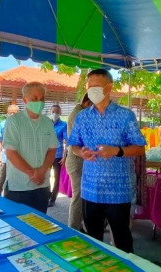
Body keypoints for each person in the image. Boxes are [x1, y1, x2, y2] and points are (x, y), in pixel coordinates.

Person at [68, 69, 146, 253]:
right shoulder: (83, 116)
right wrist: (82, 153)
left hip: (118, 190)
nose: (92, 90)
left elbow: (140, 148)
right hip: (90, 188)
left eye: (96, 86)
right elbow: (74, 146)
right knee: (93, 241)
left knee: (122, 241)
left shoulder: (125, 116)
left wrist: (116, 151)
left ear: (109, 87)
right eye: (89, 86)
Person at [3, 82, 58, 213]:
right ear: (25, 100)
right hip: (19, 186)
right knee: (17, 228)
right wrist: (32, 173)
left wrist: (42, 171)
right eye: (34, 99)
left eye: (42, 99)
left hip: (42, 185)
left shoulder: (47, 122)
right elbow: (11, 152)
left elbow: (52, 149)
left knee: (40, 227)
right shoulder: (14, 121)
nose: (39, 102)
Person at [66, 93, 92, 230]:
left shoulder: (80, 112)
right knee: (79, 195)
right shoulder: (79, 114)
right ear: (88, 103)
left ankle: (78, 225)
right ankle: (74, 228)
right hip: (77, 161)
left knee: (82, 195)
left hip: (80, 160)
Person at [0, 104, 20, 194]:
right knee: (1, 180)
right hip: (5, 158)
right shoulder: (3, 124)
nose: (12, 115)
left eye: (15, 113)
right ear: (7, 114)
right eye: (10, 113)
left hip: (18, 159)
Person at [48, 104, 67, 207]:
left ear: (60, 113)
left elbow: (66, 141)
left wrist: (64, 156)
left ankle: (53, 198)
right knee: (46, 177)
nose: (55, 113)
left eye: (57, 111)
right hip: (46, 155)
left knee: (56, 177)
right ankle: (48, 195)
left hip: (58, 155)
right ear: (50, 112)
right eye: (53, 111)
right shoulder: (46, 124)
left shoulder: (63, 125)